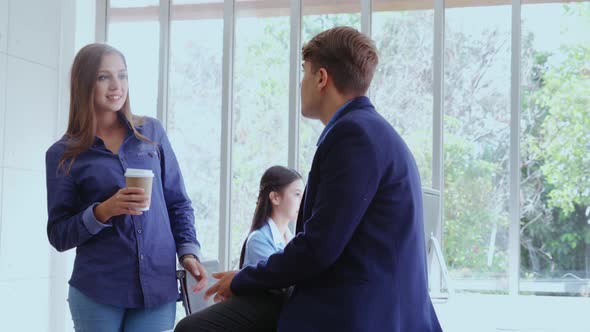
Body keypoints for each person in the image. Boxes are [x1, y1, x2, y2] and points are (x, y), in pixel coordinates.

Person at [183, 26, 443, 332]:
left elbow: (319, 247)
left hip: (357, 313)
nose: (301, 83)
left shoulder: (353, 135)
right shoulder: (371, 130)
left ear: (321, 78)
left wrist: (243, 278)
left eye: (304, 73)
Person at [45, 43, 207, 332]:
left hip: (157, 288)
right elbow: (58, 234)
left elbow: (178, 202)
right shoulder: (63, 154)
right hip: (98, 290)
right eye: (103, 77)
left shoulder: (151, 133)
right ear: (84, 84)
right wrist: (102, 211)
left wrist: (188, 252)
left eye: (122, 75)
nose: (116, 86)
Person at [175, 166, 303, 332]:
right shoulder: (259, 239)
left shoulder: (291, 238)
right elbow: (277, 285)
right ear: (275, 197)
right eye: (297, 194)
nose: (302, 201)